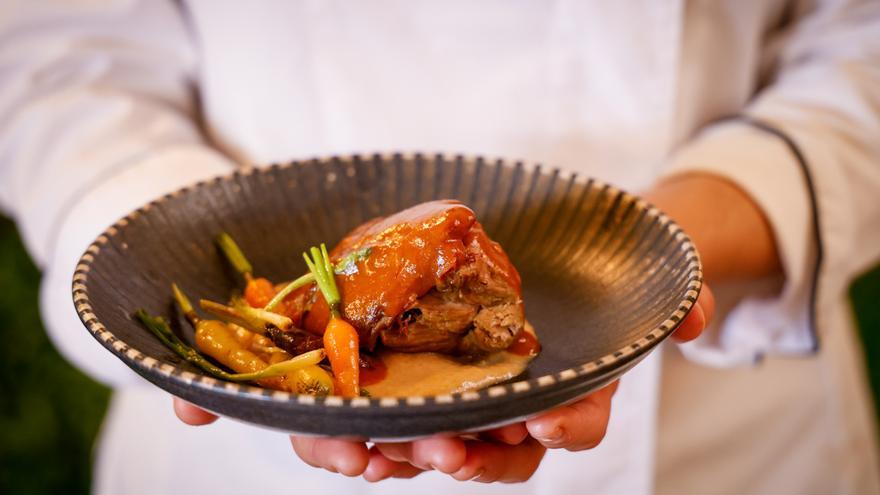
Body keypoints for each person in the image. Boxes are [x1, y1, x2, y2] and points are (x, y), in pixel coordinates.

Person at [1, 1, 878, 493]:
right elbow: (63, 64)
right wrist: (164, 253)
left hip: (722, 442)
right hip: (244, 465)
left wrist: (675, 233)